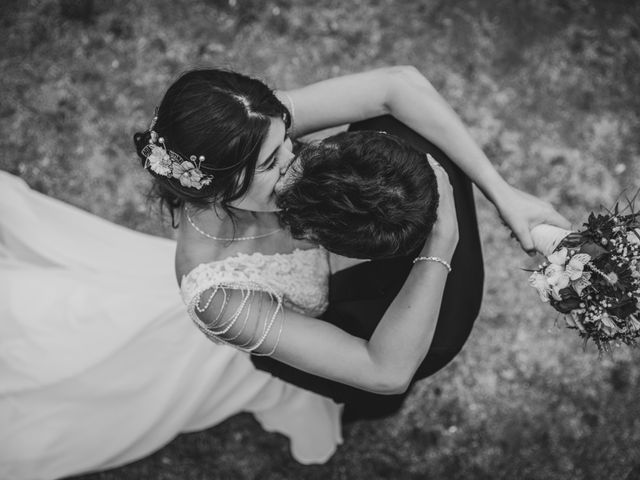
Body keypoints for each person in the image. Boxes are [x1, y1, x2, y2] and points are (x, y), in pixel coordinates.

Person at [0, 67, 570, 480]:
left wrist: (503, 193)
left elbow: (399, 86)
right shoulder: (214, 292)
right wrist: (439, 246)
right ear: (221, 190)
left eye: (289, 140)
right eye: (274, 165)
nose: (297, 163)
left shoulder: (255, 131)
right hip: (299, 331)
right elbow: (385, 370)